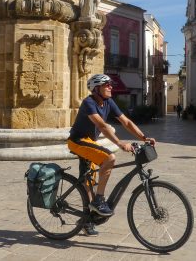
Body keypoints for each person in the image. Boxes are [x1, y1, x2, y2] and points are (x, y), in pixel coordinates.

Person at [67, 74, 156, 236]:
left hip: (89, 142)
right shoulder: (89, 103)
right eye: (106, 85)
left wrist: (144, 137)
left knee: (89, 180)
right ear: (96, 89)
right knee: (109, 158)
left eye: (110, 85)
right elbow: (102, 126)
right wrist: (120, 143)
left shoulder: (108, 102)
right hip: (77, 141)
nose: (110, 87)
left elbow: (126, 122)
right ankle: (99, 200)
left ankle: (87, 219)